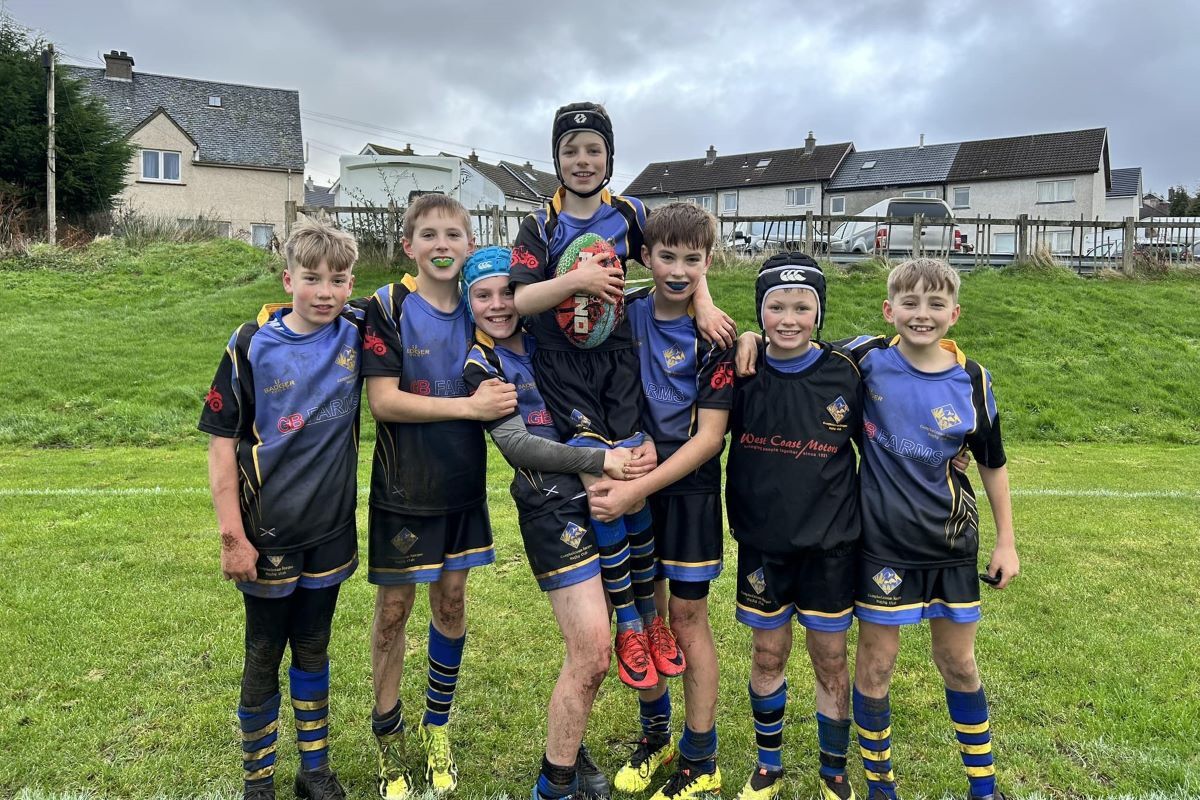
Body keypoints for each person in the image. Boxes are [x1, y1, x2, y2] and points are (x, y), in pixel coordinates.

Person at [509, 101, 736, 692]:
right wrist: (578, 281)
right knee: (605, 481)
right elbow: (521, 302)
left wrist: (704, 300)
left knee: (636, 469)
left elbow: (681, 247)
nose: (582, 160)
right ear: (555, 158)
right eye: (570, 150)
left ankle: (651, 621)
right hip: (563, 371)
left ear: (610, 156)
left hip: (618, 364)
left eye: (594, 149)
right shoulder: (541, 223)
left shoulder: (631, 213)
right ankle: (630, 621)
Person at [459, 246, 638, 800]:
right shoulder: (480, 364)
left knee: (590, 651)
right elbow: (517, 445)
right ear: (467, 303)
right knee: (592, 651)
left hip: (606, 496)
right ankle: (553, 786)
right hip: (551, 509)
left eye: (507, 291)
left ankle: (572, 750)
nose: (498, 304)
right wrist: (598, 461)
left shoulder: (552, 336)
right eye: (482, 295)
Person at [840, 257, 1018, 800]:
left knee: (959, 663)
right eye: (910, 303)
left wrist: (1006, 540)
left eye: (936, 303)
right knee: (875, 666)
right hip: (881, 545)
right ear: (888, 309)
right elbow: (795, 349)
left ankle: (983, 788)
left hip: (949, 543)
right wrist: (751, 337)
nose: (923, 314)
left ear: (955, 313)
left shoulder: (972, 378)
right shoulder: (864, 359)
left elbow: (991, 460)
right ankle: (880, 787)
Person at [361, 195, 518, 800]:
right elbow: (384, 401)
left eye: (454, 233)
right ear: (409, 246)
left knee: (450, 606)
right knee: (395, 612)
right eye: (428, 234)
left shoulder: (486, 308)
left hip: (462, 489)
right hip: (402, 490)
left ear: (470, 244)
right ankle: (389, 736)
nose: (442, 243)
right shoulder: (389, 305)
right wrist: (469, 407)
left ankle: (436, 729)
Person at [200, 220, 363, 800]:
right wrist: (231, 537)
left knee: (315, 646)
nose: (325, 291)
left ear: (351, 284)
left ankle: (313, 769)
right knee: (264, 651)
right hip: (266, 531)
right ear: (287, 278)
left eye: (338, 280)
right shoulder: (249, 343)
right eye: (312, 279)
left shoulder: (358, 332)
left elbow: (425, 298)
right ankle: (258, 780)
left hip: (331, 529)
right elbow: (221, 443)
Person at [585, 203, 734, 800]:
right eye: (666, 256)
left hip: (686, 489)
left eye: (692, 261)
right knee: (646, 619)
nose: (678, 269)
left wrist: (634, 490)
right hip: (633, 475)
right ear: (644, 257)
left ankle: (701, 756)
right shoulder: (623, 313)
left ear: (706, 263)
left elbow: (710, 439)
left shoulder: (716, 336)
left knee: (687, 620)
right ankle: (657, 739)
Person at [724, 253, 865, 800]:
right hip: (763, 544)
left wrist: (949, 455)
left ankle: (834, 772)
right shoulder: (740, 370)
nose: (788, 318)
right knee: (768, 655)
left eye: (802, 307)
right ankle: (768, 764)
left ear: (819, 312)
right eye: (775, 306)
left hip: (830, 548)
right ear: (760, 311)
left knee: (830, 659)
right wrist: (738, 338)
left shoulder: (847, 372)